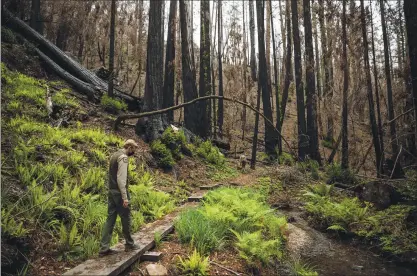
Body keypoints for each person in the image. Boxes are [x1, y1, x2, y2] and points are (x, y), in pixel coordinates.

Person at [99, 139, 141, 256]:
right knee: (126, 217)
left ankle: (104, 248)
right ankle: (129, 244)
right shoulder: (123, 158)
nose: (134, 152)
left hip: (111, 191)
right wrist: (125, 197)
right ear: (129, 147)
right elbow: (121, 180)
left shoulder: (114, 155)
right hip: (119, 193)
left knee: (110, 219)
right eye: (134, 149)